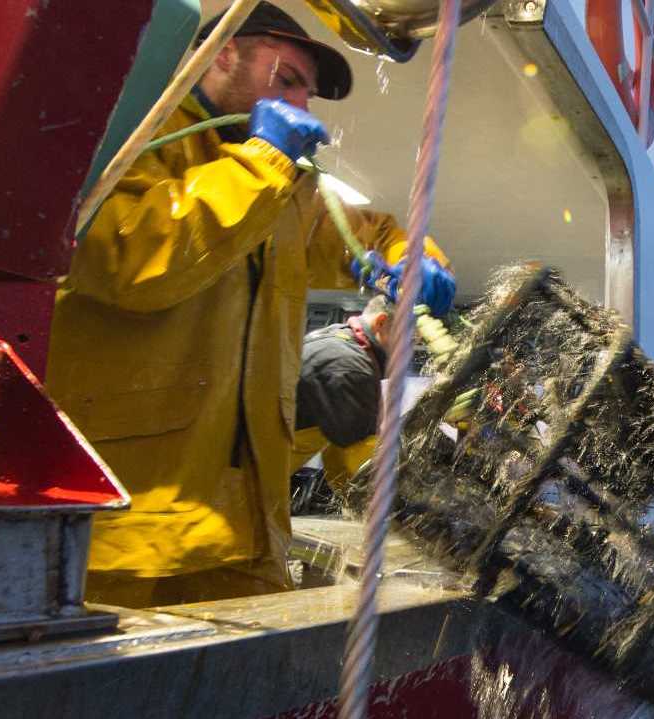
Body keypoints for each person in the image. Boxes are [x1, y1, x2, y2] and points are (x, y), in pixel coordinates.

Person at [46, 2, 453, 608]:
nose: (300, 107)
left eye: (307, 94)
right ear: (221, 55)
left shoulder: (277, 184)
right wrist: (264, 158)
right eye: (286, 78)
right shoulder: (134, 133)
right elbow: (133, 261)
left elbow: (363, 231)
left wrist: (416, 256)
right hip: (125, 536)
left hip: (246, 533)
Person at [291, 294, 392, 503]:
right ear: (381, 322)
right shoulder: (350, 366)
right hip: (231, 478)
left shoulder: (337, 341)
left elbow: (339, 455)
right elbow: (361, 466)